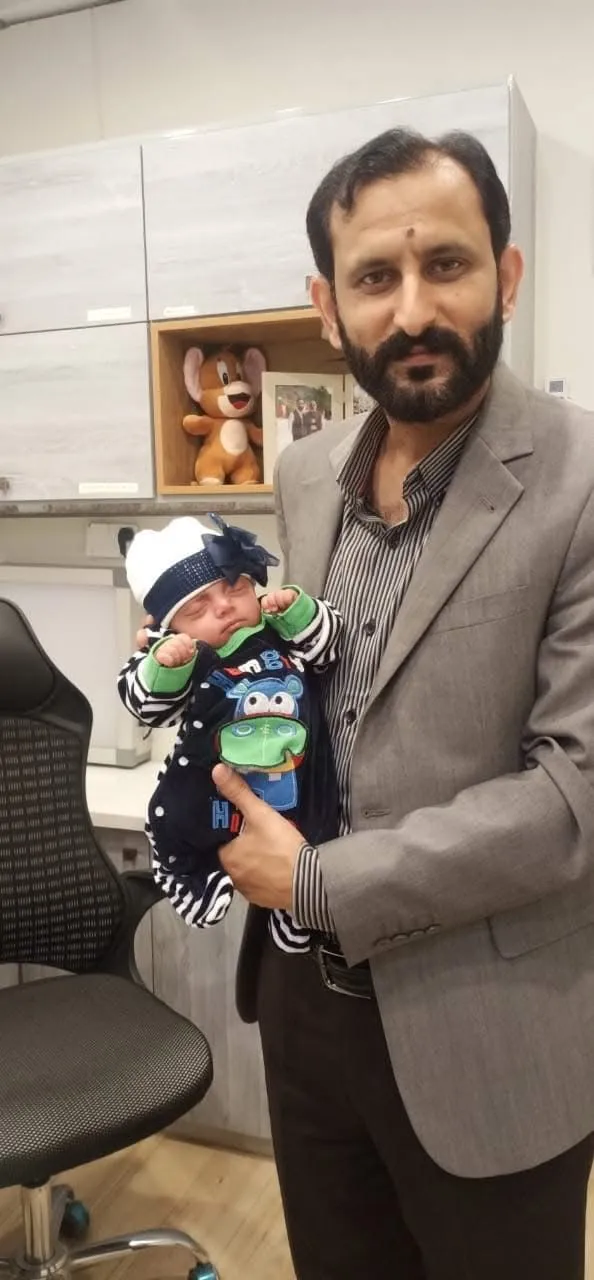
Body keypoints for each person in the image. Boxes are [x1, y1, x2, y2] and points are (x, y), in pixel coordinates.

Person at [208, 127, 594, 1279]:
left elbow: (574, 793)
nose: (413, 309)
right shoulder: (304, 473)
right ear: (329, 306)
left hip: (489, 1020)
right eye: (376, 277)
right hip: (305, 1011)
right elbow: (317, 691)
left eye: (449, 266)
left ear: (507, 275)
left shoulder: (580, 483)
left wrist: (323, 878)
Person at [118, 513, 341, 947]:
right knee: (180, 820)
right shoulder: (187, 655)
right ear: (170, 626)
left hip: (298, 778)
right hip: (214, 787)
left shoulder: (281, 631)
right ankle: (186, 874)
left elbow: (329, 647)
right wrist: (165, 664)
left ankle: (300, 914)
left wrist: (300, 610)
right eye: (197, 608)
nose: (223, 607)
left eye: (235, 588)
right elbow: (145, 706)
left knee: (316, 841)